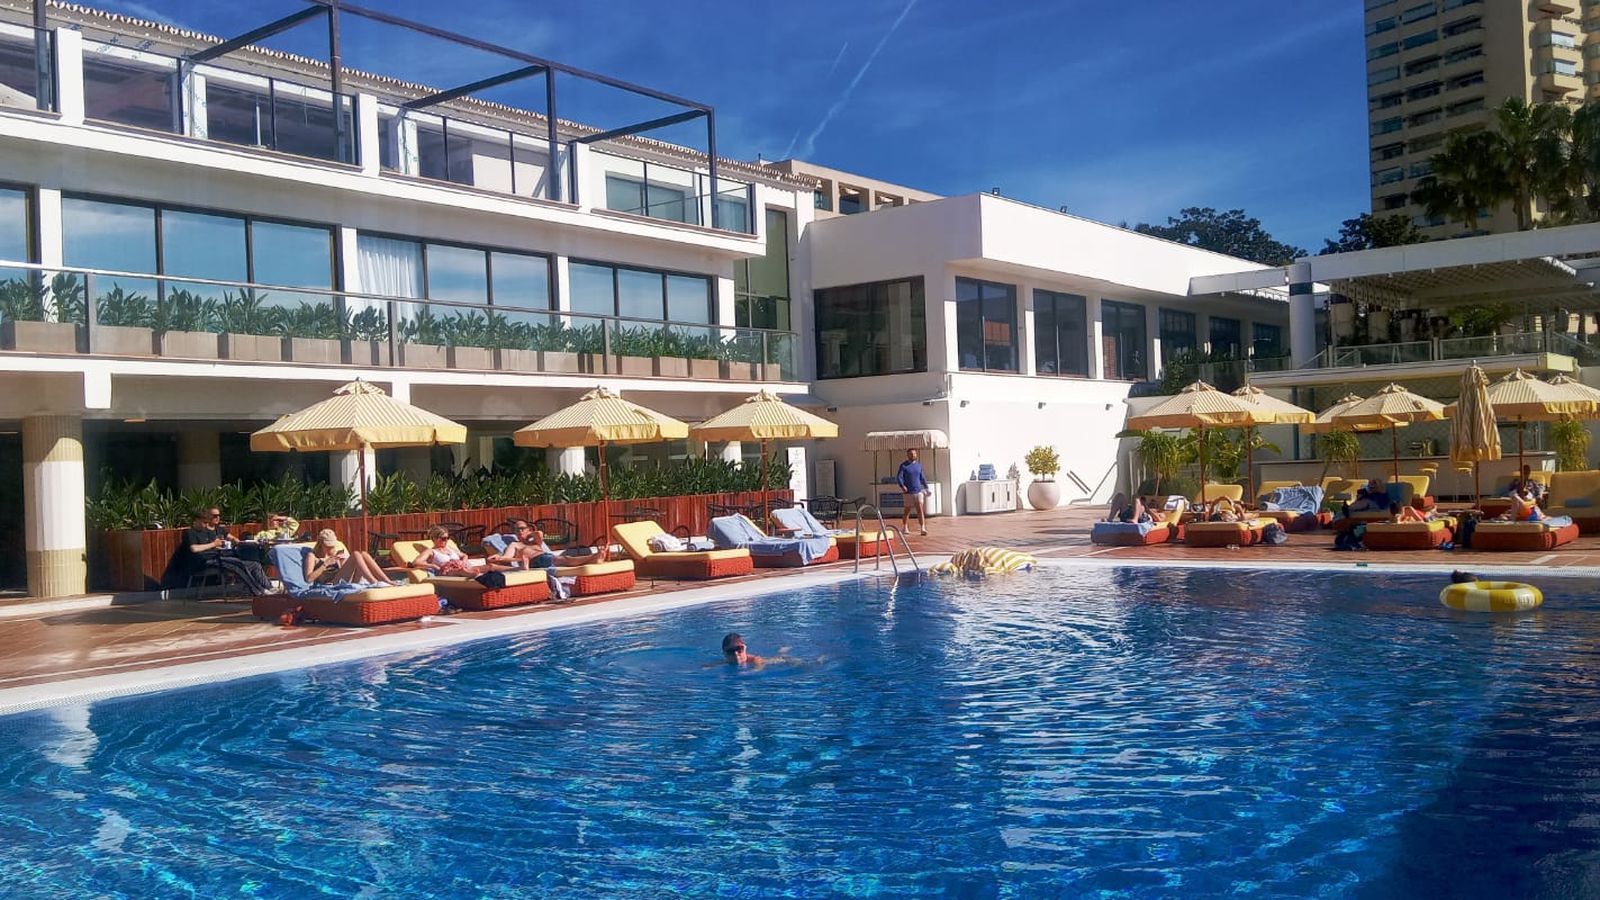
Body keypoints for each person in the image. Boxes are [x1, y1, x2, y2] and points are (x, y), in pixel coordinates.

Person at [175, 507, 275, 596]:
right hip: (203, 562)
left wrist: (218, 546)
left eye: (206, 523)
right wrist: (214, 544)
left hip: (216, 557)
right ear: (196, 521)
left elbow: (215, 544)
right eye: (204, 523)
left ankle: (267, 587)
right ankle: (257, 590)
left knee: (253, 564)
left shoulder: (206, 531)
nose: (206, 525)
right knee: (237, 566)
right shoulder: (190, 532)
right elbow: (194, 548)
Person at [305, 529, 393, 586]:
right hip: (332, 583)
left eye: (332, 546)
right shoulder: (312, 556)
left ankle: (387, 581)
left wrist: (342, 562)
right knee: (355, 554)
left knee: (363, 554)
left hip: (345, 579)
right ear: (321, 544)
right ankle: (373, 582)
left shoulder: (334, 552)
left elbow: (342, 570)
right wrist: (325, 564)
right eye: (328, 546)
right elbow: (309, 579)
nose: (331, 548)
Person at [897, 448, 930, 536]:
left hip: (918, 491)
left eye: (914, 454)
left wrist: (926, 487)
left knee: (920, 509)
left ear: (916, 455)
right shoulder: (903, 466)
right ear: (907, 455)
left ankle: (923, 528)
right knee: (907, 510)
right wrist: (902, 485)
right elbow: (899, 477)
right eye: (911, 454)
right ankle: (905, 527)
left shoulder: (919, 466)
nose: (912, 455)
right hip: (908, 492)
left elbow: (922, 477)